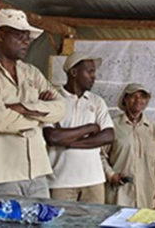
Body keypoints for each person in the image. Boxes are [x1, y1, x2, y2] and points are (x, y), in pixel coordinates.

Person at [0, 9, 66, 198]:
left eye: (28, 37)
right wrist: (41, 115)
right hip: (0, 177)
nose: (27, 41)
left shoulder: (32, 72)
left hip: (38, 173)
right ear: (0, 35)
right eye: (20, 36)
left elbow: (61, 109)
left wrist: (21, 108)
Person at [43, 51, 114, 204]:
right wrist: (90, 128)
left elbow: (108, 135)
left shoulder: (96, 101)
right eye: (90, 71)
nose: (94, 76)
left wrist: (69, 143)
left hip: (93, 181)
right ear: (74, 72)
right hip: (60, 181)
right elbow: (52, 137)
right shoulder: (54, 99)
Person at [101, 83, 155, 208]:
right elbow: (100, 155)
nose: (138, 100)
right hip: (119, 192)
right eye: (133, 96)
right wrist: (111, 175)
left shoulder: (152, 127)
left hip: (147, 191)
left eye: (142, 97)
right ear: (125, 99)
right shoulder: (112, 125)